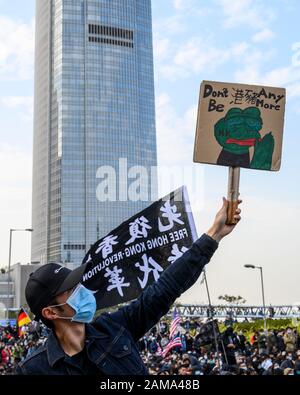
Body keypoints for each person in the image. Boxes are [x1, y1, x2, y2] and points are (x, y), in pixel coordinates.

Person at [16, 197, 242, 375]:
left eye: (79, 283)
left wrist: (214, 234)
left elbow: (165, 289)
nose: (82, 290)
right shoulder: (32, 369)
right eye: (71, 289)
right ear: (51, 312)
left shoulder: (115, 327)